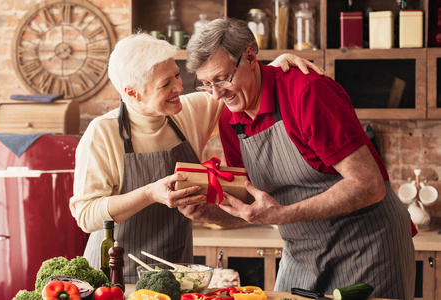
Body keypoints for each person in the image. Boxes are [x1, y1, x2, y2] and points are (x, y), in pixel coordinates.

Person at [181, 18, 416, 299]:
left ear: (250, 57)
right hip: (301, 252)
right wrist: (207, 212)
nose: (217, 95)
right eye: (206, 84)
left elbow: (368, 185)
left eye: (222, 79)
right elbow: (252, 207)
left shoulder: (307, 93)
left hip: (367, 244)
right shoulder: (231, 119)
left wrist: (283, 214)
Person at [69, 32, 324, 283]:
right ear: (132, 92)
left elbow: (244, 83)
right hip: (116, 276)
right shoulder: (102, 134)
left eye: (177, 75)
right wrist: (149, 194)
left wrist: (276, 65)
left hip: (178, 272)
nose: (178, 88)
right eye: (165, 84)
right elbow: (86, 215)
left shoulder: (191, 110)